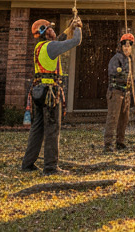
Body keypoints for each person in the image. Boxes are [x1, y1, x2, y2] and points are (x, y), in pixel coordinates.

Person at [21, 15, 83, 174]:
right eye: (51, 28)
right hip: (50, 93)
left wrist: (70, 26)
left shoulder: (40, 47)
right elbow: (74, 42)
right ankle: (50, 167)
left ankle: (27, 164)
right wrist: (78, 28)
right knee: (52, 129)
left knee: (37, 128)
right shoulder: (51, 47)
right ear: (46, 32)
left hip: (38, 92)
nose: (53, 30)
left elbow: (61, 39)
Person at [104, 32, 135, 152]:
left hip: (126, 92)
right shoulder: (116, 58)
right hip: (115, 91)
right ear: (121, 47)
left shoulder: (129, 59)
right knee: (113, 118)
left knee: (124, 118)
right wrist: (123, 74)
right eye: (125, 45)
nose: (127, 48)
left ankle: (120, 142)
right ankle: (108, 144)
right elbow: (113, 73)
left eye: (129, 45)